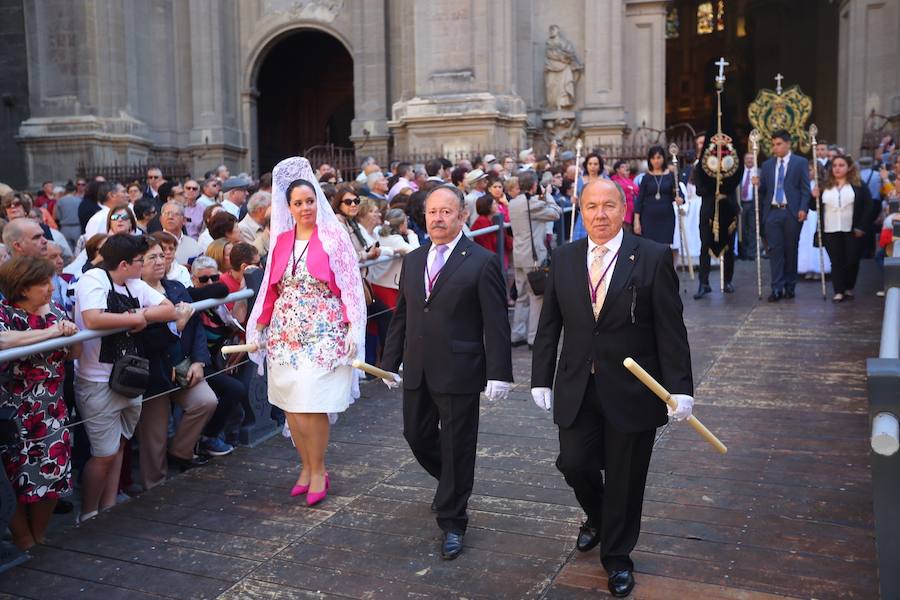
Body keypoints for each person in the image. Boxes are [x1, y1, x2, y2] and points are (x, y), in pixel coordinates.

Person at [530, 178, 694, 597]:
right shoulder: (564, 258)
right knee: (573, 462)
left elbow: (671, 330)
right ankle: (600, 517)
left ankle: (617, 557)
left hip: (633, 390)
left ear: (624, 209)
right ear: (579, 211)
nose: (599, 215)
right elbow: (550, 324)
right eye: (590, 207)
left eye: (608, 206)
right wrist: (540, 376)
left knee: (625, 477)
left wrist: (681, 389)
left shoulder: (652, 257)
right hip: (577, 384)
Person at [381, 184, 513, 560]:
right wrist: (388, 364)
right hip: (418, 366)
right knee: (416, 435)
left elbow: (496, 322)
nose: (438, 218)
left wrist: (499, 372)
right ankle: (453, 484)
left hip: (461, 369)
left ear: (462, 216)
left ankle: (454, 520)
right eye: (432, 212)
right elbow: (402, 316)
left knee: (457, 445)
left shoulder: (481, 261)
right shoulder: (413, 259)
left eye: (446, 212)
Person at [247, 158, 367, 507]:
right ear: (288, 207)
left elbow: (350, 287)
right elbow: (271, 287)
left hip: (324, 331)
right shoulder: (282, 240)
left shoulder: (334, 236)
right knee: (292, 406)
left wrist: (353, 328)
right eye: (298, 203)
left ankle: (318, 470)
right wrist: (259, 325)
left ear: (319, 202)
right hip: (286, 332)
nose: (305, 208)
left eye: (310, 201)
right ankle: (305, 467)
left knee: (313, 404)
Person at [72, 234, 176, 521]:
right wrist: (136, 318)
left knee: (118, 445)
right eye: (140, 261)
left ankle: (108, 508)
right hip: (97, 379)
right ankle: (89, 514)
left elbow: (168, 309)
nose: (144, 265)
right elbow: (93, 318)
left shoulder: (132, 282)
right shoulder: (93, 279)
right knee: (104, 452)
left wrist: (136, 313)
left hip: (129, 376)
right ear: (124, 264)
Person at [0, 256, 80, 549]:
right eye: (42, 283)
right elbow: (2, 341)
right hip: (14, 409)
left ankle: (39, 535)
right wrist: (50, 334)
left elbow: (75, 354)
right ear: (22, 286)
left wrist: (72, 331)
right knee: (13, 476)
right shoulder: (5, 313)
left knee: (53, 471)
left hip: (51, 407)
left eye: (50, 281)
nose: (50, 287)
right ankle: (24, 539)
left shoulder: (55, 311)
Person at [136, 237, 216, 487]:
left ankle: (180, 452)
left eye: (162, 255)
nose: (161, 261)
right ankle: (155, 486)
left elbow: (197, 328)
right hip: (154, 372)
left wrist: (199, 362)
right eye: (153, 257)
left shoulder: (176, 288)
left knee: (206, 401)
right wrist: (176, 326)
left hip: (183, 364)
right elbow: (146, 340)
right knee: (154, 435)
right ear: (138, 263)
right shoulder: (133, 295)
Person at [753, 129, 811, 301]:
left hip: (791, 212)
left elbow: (804, 188)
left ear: (788, 144)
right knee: (775, 250)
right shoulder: (767, 165)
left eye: (778, 144)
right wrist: (758, 183)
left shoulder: (800, 163)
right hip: (772, 212)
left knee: (790, 250)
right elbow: (764, 191)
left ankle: (790, 285)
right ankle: (777, 287)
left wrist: (803, 208)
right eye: (773, 145)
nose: (775, 148)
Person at [508, 171, 562, 348]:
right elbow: (556, 213)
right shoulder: (533, 204)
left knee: (521, 296)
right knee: (537, 296)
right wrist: (548, 196)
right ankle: (533, 337)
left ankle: (517, 335)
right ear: (533, 185)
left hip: (518, 255)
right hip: (533, 256)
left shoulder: (514, 202)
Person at [817, 154, 873, 302]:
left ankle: (849, 286)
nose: (837, 168)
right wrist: (813, 196)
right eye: (835, 165)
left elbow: (869, 206)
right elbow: (814, 207)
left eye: (841, 165)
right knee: (836, 260)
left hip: (851, 228)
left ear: (849, 168)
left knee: (852, 259)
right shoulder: (825, 185)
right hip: (830, 228)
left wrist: (861, 226)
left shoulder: (858, 185)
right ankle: (839, 290)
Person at [369, 208, 419, 309]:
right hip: (388, 286)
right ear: (401, 225)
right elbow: (416, 254)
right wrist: (412, 235)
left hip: (376, 283)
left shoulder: (380, 236)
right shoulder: (396, 239)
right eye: (406, 221)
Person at [633, 146, 679, 248]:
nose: (656, 161)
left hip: (666, 217)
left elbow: (678, 194)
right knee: (649, 247)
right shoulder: (646, 178)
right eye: (653, 158)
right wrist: (637, 221)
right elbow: (639, 200)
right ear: (650, 160)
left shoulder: (671, 176)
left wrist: (679, 199)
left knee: (664, 247)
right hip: (648, 218)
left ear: (663, 158)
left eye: (659, 157)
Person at [572, 153, 606, 240]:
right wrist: (574, 200)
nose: (592, 166)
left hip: (600, 214)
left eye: (595, 164)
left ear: (600, 166)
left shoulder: (605, 180)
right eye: (590, 164)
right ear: (586, 165)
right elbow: (578, 201)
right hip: (584, 215)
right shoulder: (581, 180)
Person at [161, 202, 202, 266]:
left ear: (184, 220)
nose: (170, 217)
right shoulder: (153, 243)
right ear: (161, 219)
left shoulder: (193, 244)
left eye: (175, 214)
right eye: (167, 214)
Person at [737, 152, 758, 260]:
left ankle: (751, 253)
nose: (750, 160)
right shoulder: (740, 172)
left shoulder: (759, 172)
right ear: (744, 160)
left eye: (751, 158)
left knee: (752, 229)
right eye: (747, 158)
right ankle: (743, 253)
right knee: (742, 229)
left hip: (753, 204)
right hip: (741, 204)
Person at [610, 160, 638, 232]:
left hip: (630, 209)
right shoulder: (614, 180)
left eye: (626, 167)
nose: (625, 168)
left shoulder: (628, 180)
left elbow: (636, 189)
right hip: (621, 209)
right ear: (617, 170)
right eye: (623, 167)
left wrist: (630, 189)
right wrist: (630, 189)